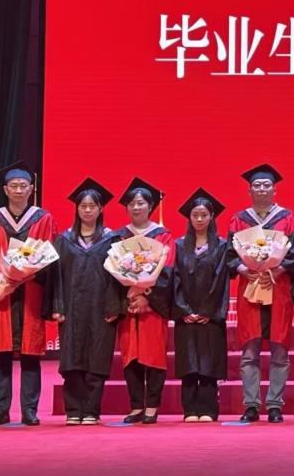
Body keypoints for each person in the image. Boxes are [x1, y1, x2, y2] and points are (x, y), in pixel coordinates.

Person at [0, 161, 59, 426]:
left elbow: (49, 256)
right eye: (14, 186)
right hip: (1, 294)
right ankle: (1, 410)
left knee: (31, 354)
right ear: (5, 189)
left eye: (23, 186)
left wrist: (32, 275)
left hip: (32, 292)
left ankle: (29, 410)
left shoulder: (43, 219)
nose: (19, 190)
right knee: (1, 354)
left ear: (31, 189)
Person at [225, 164, 294, 423]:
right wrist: (242, 268)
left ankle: (274, 405)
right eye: (257, 186)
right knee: (250, 350)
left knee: (280, 350)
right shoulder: (238, 220)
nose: (262, 189)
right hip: (250, 291)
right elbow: (229, 255)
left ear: (274, 190)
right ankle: (250, 404)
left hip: (278, 289)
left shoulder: (289, 218)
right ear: (249, 191)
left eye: (266, 185)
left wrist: (277, 270)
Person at [53, 178, 123, 426]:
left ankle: (91, 410)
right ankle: (73, 409)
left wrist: (114, 306)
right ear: (77, 208)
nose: (87, 210)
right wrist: (57, 307)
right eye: (83, 206)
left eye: (92, 206)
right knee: (72, 358)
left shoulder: (111, 239)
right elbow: (56, 277)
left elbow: (118, 277)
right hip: (71, 308)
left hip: (100, 307)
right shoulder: (64, 240)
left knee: (97, 358)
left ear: (100, 209)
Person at [112, 177, 174, 424]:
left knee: (154, 355)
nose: (136, 207)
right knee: (130, 356)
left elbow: (167, 270)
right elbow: (113, 269)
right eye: (131, 203)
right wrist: (131, 294)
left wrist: (146, 295)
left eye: (141, 203)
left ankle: (152, 407)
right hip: (128, 306)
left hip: (153, 308)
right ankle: (136, 406)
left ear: (150, 206)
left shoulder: (163, 236)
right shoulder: (118, 236)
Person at [172, 188, 230, 423]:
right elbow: (175, 279)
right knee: (188, 362)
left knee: (209, 361)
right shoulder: (179, 245)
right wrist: (183, 310)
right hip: (186, 315)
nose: (199, 219)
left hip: (210, 316)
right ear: (189, 217)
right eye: (195, 215)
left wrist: (208, 311)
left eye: (203, 215)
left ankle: (208, 408)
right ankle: (189, 409)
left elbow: (221, 280)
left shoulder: (221, 246)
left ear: (211, 216)